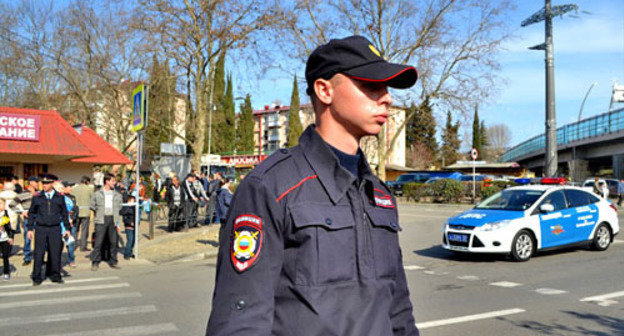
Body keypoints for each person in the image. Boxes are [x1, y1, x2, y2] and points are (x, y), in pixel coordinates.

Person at [206, 35, 419, 335]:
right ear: (324, 90)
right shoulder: (271, 187)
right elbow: (241, 321)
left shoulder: (380, 196)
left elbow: (399, 312)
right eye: (371, 85)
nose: (387, 98)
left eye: (386, 88)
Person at [27, 174, 71, 285]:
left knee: (55, 253)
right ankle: (36, 277)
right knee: (39, 253)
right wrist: (30, 228)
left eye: (47, 183)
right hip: (41, 228)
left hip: (55, 228)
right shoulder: (37, 197)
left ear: (52, 184)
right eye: (43, 183)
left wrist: (67, 228)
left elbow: (64, 214)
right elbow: (32, 213)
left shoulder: (59, 197)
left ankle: (55, 275)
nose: (44, 185)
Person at [90, 173, 123, 271]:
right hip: (101, 219)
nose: (114, 182)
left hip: (113, 219)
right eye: (112, 181)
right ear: (107, 181)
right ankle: (95, 262)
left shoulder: (117, 194)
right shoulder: (97, 193)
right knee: (98, 242)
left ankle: (113, 261)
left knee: (113, 242)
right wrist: (100, 212)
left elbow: (119, 206)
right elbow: (92, 205)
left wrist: (117, 222)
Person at [16, 176, 39, 266]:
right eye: (36, 182)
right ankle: (27, 257)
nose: (37, 184)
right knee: (27, 238)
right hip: (28, 219)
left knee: (40, 239)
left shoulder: (39, 193)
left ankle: (39, 257)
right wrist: (21, 211)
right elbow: (12, 204)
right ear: (31, 182)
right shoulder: (23, 194)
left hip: (39, 218)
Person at [60, 181, 78, 268]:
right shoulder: (59, 197)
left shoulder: (73, 198)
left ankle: (71, 260)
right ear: (64, 188)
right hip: (61, 224)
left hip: (71, 224)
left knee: (70, 243)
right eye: (69, 187)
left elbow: (75, 210)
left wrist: (72, 218)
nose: (71, 189)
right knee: (59, 244)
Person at [72, 176, 93, 252]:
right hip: (86, 212)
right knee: (84, 231)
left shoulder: (75, 189)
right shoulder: (89, 189)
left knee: (75, 230)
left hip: (76, 213)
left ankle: (72, 246)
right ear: (87, 182)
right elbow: (93, 199)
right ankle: (83, 247)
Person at [0, 199, 15, 281]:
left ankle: (6, 272)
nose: (0, 206)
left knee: (5, 255)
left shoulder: (5, 214)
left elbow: (9, 227)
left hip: (4, 238)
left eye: (2, 204)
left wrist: (11, 237)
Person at [119, 195, 136, 260]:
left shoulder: (134, 207)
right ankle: (127, 254)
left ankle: (130, 252)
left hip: (134, 226)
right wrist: (129, 222)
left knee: (133, 240)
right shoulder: (125, 207)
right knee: (130, 239)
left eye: (134, 200)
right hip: (128, 226)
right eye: (132, 200)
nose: (133, 202)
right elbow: (122, 213)